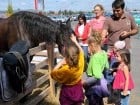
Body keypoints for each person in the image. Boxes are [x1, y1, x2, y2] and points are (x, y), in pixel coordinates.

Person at [51, 34, 85, 105]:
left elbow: (52, 73)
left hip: (67, 93)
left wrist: (60, 63)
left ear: (66, 57)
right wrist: (75, 41)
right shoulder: (80, 61)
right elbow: (82, 52)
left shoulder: (65, 70)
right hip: (78, 89)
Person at [82, 31, 109, 105]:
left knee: (93, 102)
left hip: (94, 86)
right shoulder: (103, 53)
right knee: (99, 101)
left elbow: (96, 76)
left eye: (89, 46)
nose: (88, 48)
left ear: (93, 45)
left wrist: (85, 83)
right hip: (100, 84)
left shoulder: (95, 58)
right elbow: (106, 66)